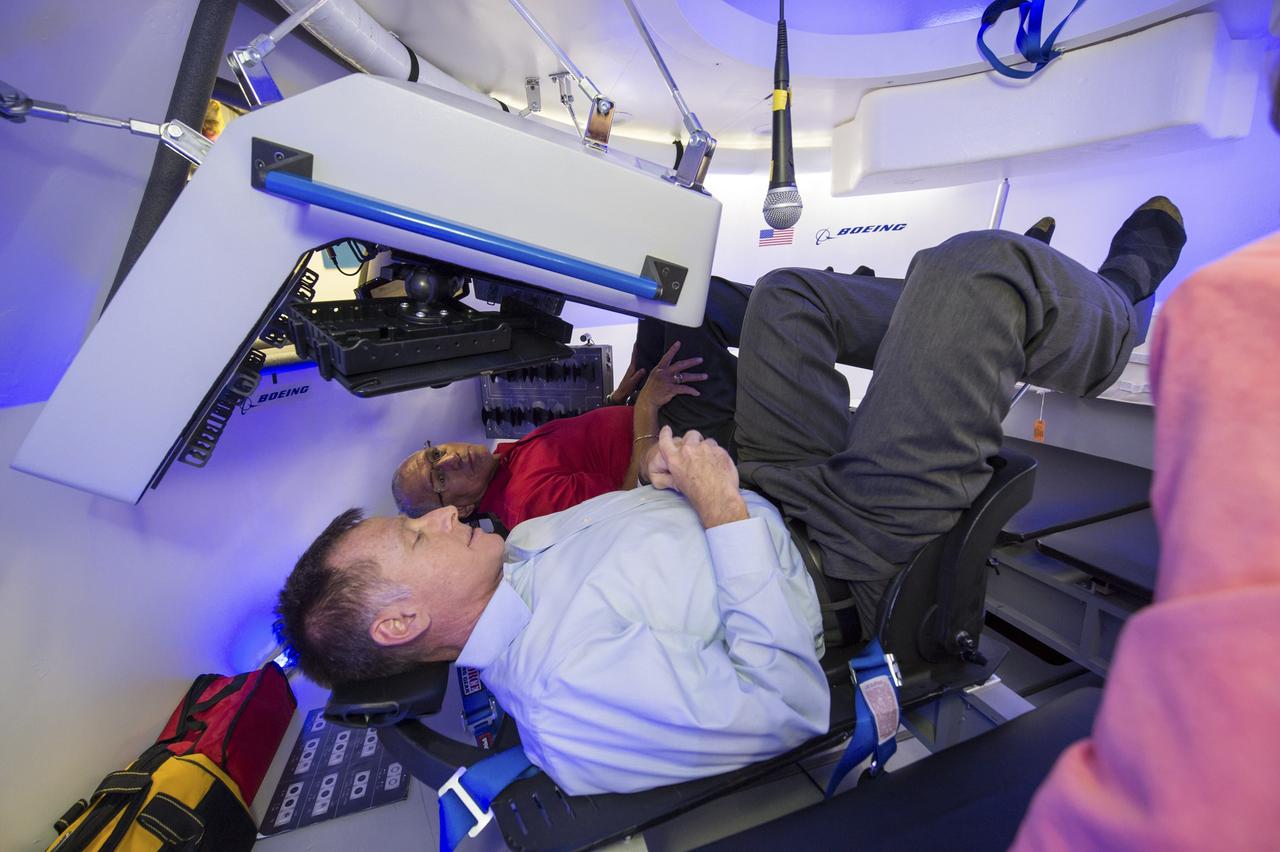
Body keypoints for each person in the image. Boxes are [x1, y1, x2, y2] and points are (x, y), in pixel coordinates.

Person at [277, 198, 1186, 794]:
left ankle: (970, 323)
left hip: (770, 488)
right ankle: (1110, 304)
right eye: (415, 530)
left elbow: (648, 514)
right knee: (977, 272)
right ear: (396, 623)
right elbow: (785, 701)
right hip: (844, 550)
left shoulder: (521, 555)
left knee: (787, 300)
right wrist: (717, 511)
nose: (443, 514)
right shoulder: (564, 698)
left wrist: (675, 475)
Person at [1010, 74, 1280, 851]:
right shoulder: (1231, 310)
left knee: (990, 281)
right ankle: (1075, 277)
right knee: (993, 282)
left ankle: (1066, 278)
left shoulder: (1232, 311)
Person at [391, 276, 750, 527]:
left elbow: (588, 448)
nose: (451, 459)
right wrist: (646, 408)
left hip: (649, 412)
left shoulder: (508, 461)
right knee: (690, 304)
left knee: (657, 300)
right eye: (439, 478)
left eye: (435, 454)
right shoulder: (527, 504)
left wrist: (620, 398)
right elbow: (631, 499)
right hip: (680, 439)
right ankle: (794, 323)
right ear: (463, 508)